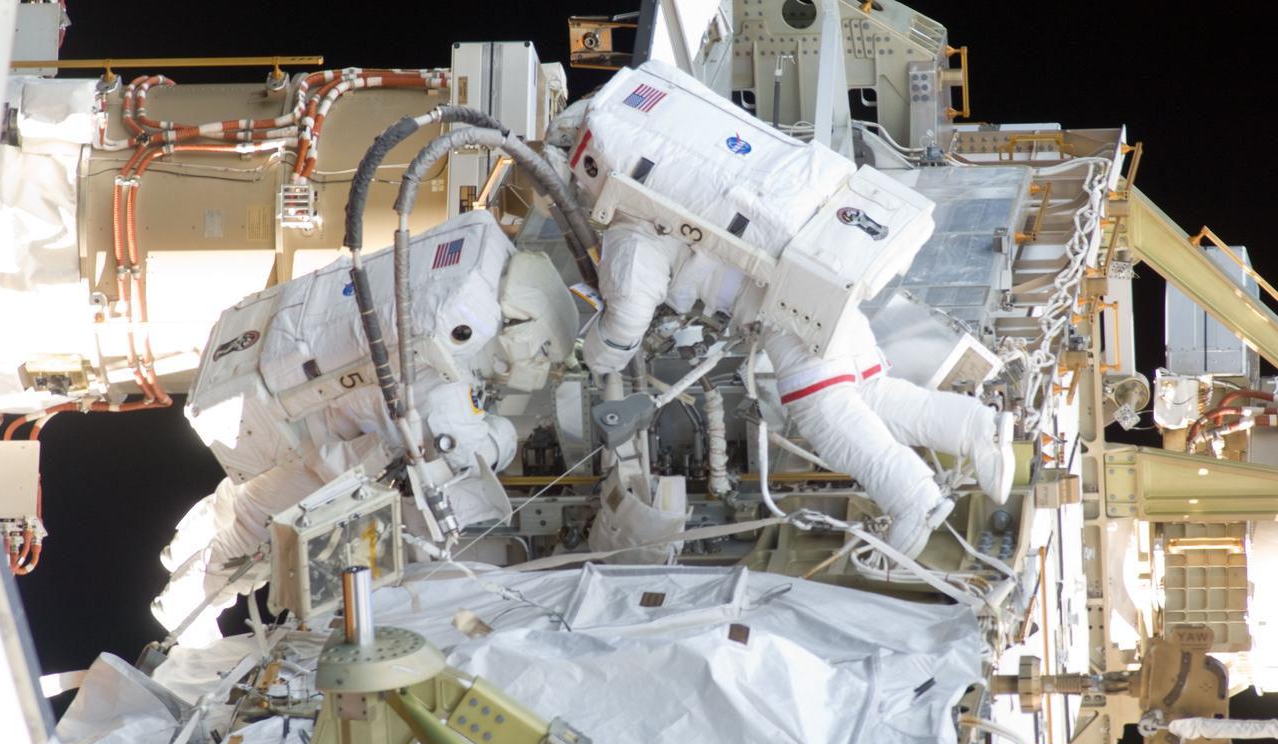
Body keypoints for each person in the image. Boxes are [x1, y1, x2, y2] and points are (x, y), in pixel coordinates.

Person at [153, 210, 578, 646]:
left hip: (310, 416)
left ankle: (182, 547)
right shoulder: (448, 379)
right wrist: (504, 437)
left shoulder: (460, 288)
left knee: (243, 500)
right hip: (322, 453)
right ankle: (180, 611)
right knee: (250, 539)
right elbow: (466, 452)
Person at [581, 219, 1013, 561]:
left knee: (820, 410)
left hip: (783, 306)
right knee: (870, 396)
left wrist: (597, 357)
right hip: (821, 281)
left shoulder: (633, 229)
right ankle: (976, 428)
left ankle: (912, 497)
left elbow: (625, 321)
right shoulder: (675, 186)